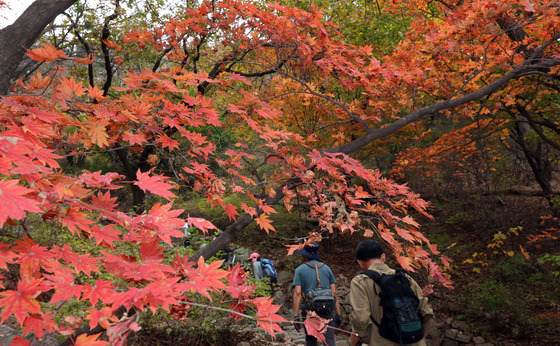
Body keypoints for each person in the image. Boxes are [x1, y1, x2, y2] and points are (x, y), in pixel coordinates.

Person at [349, 240, 436, 346]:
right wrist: (417, 338)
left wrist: (355, 340)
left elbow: (361, 319)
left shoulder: (360, 282)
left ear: (360, 262)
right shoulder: (405, 278)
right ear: (383, 257)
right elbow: (428, 314)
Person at [292, 242, 342, 346]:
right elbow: (334, 292)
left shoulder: (300, 270)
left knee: (311, 340)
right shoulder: (327, 269)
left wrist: (295, 315)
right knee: (329, 341)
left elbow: (297, 293)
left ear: (305, 255)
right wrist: (338, 314)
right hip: (328, 310)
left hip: (309, 311)